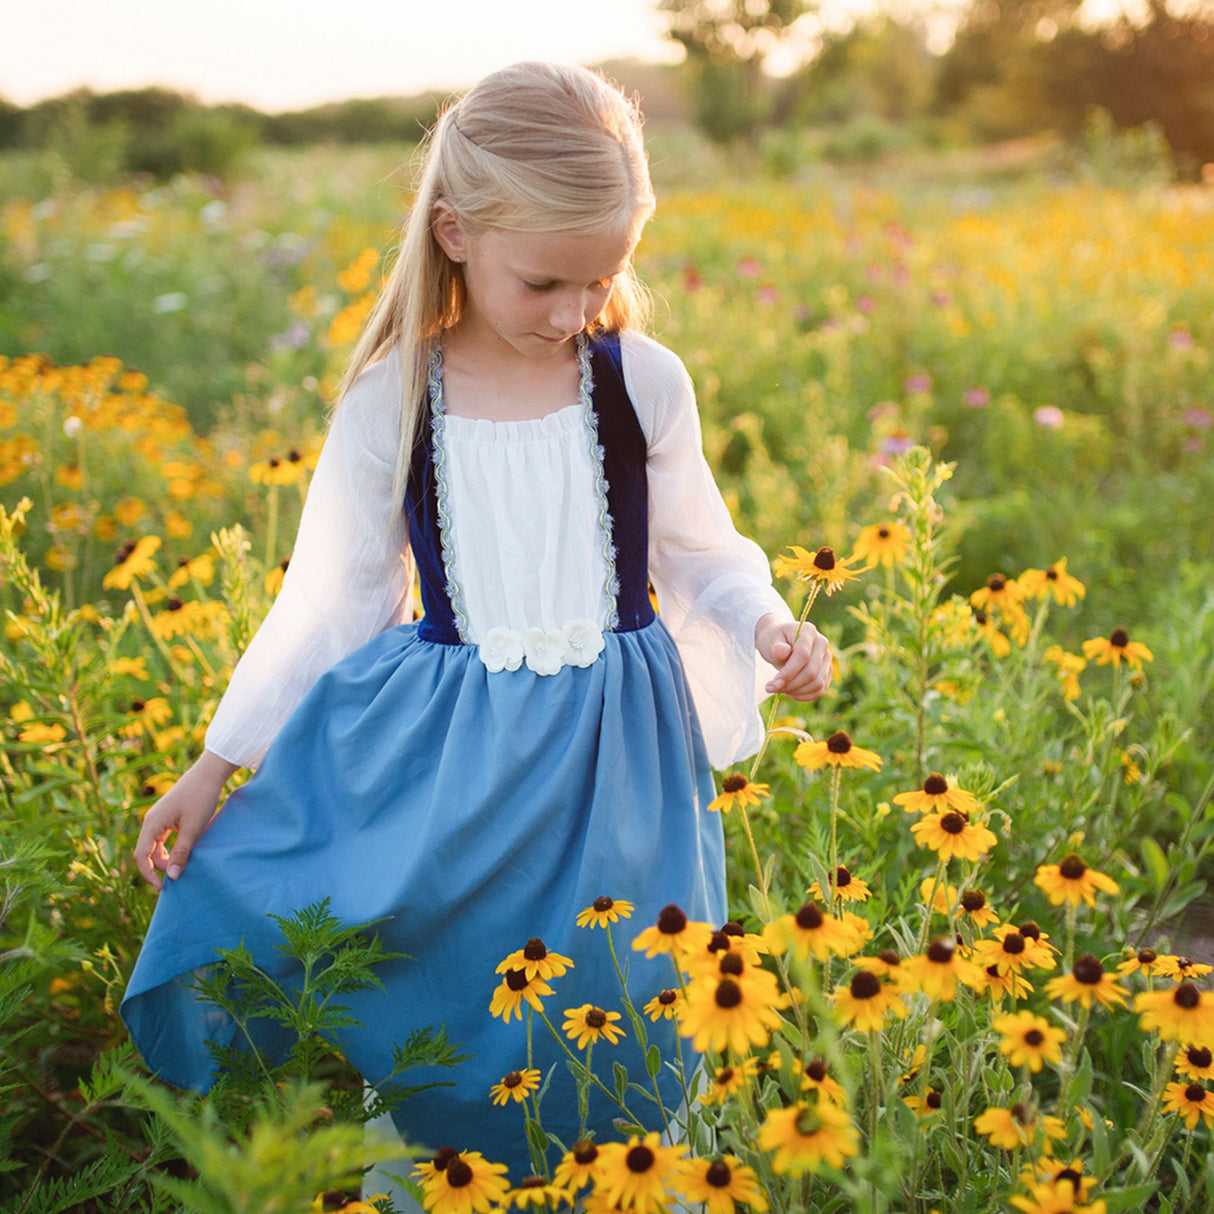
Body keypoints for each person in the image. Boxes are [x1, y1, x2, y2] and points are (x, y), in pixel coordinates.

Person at [121, 61, 832, 1190]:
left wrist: (769, 625)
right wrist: (217, 765)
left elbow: (700, 552)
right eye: (544, 280)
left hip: (621, 766)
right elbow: (327, 602)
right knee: (450, 1000)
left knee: (631, 1011)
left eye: (603, 278)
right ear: (453, 232)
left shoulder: (640, 383)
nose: (575, 311)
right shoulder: (393, 399)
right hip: (451, 769)